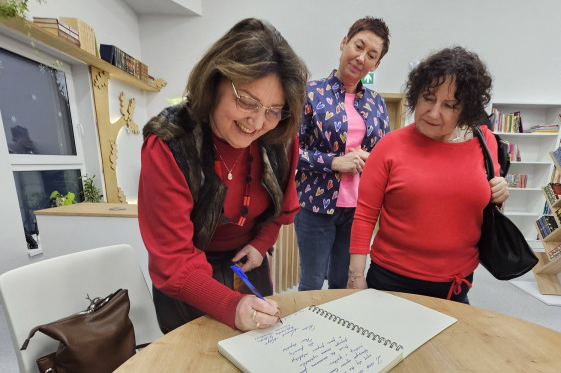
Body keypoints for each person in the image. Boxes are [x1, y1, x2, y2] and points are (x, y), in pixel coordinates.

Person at [138, 18, 308, 333]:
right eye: (246, 101)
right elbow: (173, 260)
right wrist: (231, 305)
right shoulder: (170, 143)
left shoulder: (280, 138)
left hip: (246, 266)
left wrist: (261, 244)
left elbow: (283, 208)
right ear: (215, 81)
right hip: (186, 280)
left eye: (273, 109)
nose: (257, 123)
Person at [348, 46, 509, 303]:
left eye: (450, 105)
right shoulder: (390, 146)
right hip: (392, 280)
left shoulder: (484, 142)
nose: (434, 112)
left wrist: (499, 191)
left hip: (455, 285)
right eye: (428, 97)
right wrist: (356, 276)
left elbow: (486, 199)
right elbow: (365, 215)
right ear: (415, 95)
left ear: (466, 109)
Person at [294, 17, 391, 290]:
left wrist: (372, 159)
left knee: (342, 282)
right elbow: (289, 152)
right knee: (312, 282)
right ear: (344, 42)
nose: (361, 58)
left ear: (377, 64)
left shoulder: (376, 102)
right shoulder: (310, 93)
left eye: (371, 55)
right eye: (358, 46)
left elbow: (385, 153)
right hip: (315, 206)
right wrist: (335, 162)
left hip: (359, 209)